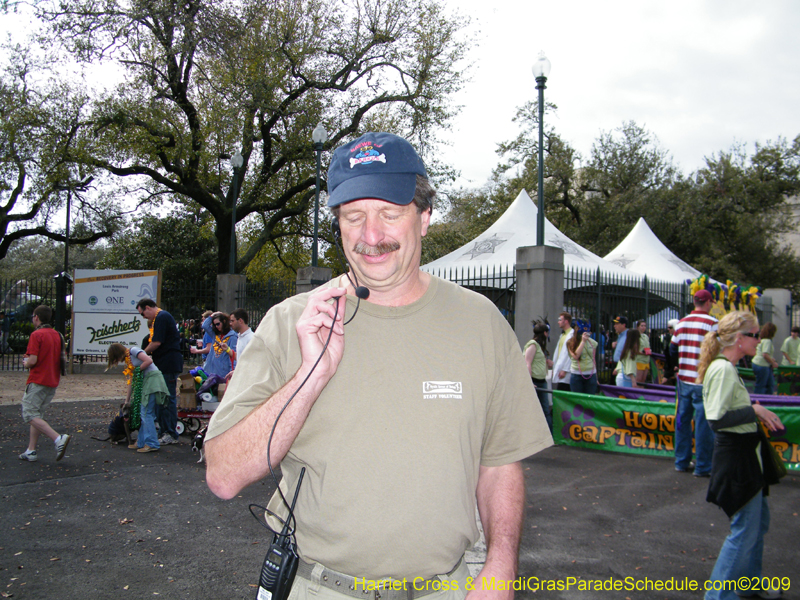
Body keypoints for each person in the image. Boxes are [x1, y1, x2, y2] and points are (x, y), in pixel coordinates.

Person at [204, 131, 552, 596]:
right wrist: (310, 376)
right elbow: (224, 476)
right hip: (319, 588)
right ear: (337, 224)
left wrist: (501, 567)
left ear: (424, 217)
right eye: (354, 216)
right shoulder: (291, 322)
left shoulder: (481, 323)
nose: (372, 236)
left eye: (389, 213)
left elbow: (500, 463)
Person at [696, 311, 784, 600]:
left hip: (745, 455)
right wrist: (755, 410)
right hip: (736, 458)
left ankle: (749, 584)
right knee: (745, 529)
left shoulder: (727, 367)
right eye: (755, 335)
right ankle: (718, 596)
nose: (760, 341)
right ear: (738, 338)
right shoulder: (722, 369)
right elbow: (716, 419)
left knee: (756, 524)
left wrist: (754, 410)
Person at [671, 289, 718, 477]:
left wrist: (679, 365)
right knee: (702, 424)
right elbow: (718, 350)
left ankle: (681, 461)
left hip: (684, 378)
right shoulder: (713, 324)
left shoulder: (682, 323)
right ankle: (703, 466)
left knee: (682, 421)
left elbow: (672, 349)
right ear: (707, 303)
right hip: (703, 380)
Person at [18, 305, 71, 462]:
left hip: (38, 379)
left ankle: (57, 438)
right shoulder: (57, 335)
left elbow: (32, 360)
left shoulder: (37, 335)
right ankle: (31, 450)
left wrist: (25, 362)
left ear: (36, 317)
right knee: (37, 415)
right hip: (52, 380)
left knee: (29, 414)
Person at [136, 299, 183, 446]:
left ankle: (170, 432)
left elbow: (156, 342)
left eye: (143, 313)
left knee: (166, 398)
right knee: (162, 398)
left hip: (168, 363)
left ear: (148, 308)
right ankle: (165, 430)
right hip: (166, 362)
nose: (143, 317)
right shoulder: (161, 318)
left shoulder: (161, 317)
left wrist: (141, 354)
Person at [106, 343, 169, 453]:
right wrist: (127, 400)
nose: (118, 360)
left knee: (146, 413)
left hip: (152, 380)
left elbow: (148, 361)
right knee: (143, 412)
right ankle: (141, 441)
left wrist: (137, 370)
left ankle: (152, 443)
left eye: (116, 358)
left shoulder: (133, 351)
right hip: (147, 382)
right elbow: (131, 381)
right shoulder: (128, 360)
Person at [524, 321, 553, 432]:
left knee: (545, 409)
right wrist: (530, 382)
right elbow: (528, 363)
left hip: (541, 381)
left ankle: (548, 435)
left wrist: (547, 363)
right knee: (536, 409)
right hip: (535, 381)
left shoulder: (540, 346)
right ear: (544, 333)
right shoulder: (533, 344)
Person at [201, 311, 237, 379]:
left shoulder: (233, 336)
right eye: (214, 325)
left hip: (222, 374)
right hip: (209, 371)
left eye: (218, 324)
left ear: (224, 321)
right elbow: (204, 326)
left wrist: (232, 371)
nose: (216, 327)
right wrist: (212, 315)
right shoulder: (215, 334)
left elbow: (233, 355)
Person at [567, 323, 598, 394]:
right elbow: (575, 356)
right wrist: (583, 342)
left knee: (590, 399)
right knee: (577, 399)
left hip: (591, 374)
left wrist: (596, 377)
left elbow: (593, 359)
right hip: (576, 374)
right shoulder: (570, 342)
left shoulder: (593, 343)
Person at [751, 322, 778, 395]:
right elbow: (765, 354)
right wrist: (773, 363)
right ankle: (759, 400)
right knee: (761, 385)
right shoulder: (767, 341)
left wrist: (771, 359)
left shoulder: (762, 340)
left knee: (770, 384)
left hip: (757, 363)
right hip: (762, 365)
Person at [551, 312, 574, 392]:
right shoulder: (563, 335)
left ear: (566, 321)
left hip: (565, 371)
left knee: (563, 391)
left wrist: (565, 369)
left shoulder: (572, 335)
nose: (558, 322)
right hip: (560, 369)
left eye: (560, 320)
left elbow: (570, 355)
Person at [611, 316, 629, 386]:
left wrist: (618, 367)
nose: (615, 326)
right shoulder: (620, 335)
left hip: (621, 367)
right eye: (614, 324)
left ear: (623, 325)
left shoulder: (628, 336)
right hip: (617, 365)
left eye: (617, 324)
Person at [635, 320, 651, 384]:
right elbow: (634, 350)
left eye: (644, 326)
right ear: (638, 327)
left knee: (643, 381)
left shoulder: (646, 336)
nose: (643, 327)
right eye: (641, 326)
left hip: (646, 360)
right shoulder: (636, 336)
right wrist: (642, 353)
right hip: (639, 360)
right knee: (638, 380)